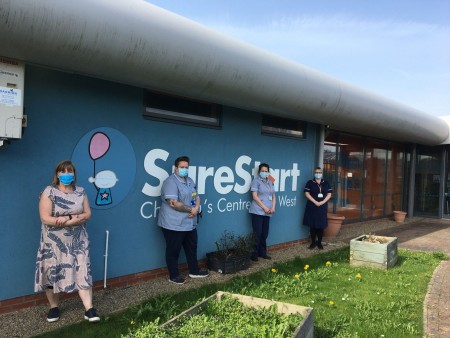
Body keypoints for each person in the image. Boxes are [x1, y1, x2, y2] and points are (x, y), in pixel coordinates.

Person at [35, 160, 100, 323]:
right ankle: (54, 307)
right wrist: (73, 219)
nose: (66, 174)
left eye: (69, 171)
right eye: (63, 171)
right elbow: (45, 218)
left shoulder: (80, 191)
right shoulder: (49, 192)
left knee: (83, 272)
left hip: (79, 242)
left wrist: (66, 219)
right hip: (54, 244)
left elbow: (88, 214)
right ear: (57, 174)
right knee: (53, 275)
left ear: (74, 174)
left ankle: (89, 309)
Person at [158, 156, 208, 285]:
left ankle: (194, 271)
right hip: (173, 224)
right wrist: (191, 210)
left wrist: (196, 208)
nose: (184, 170)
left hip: (190, 222)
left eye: (186, 167)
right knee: (173, 250)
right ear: (176, 168)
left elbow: (196, 196)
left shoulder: (190, 180)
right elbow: (173, 203)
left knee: (192, 247)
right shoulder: (170, 182)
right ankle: (174, 276)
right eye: (182, 167)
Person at [249, 163, 276, 261]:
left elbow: (273, 195)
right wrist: (264, 207)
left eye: (266, 171)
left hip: (268, 212)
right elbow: (255, 196)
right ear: (259, 171)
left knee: (265, 233)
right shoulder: (256, 181)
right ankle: (254, 254)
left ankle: (263, 253)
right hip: (257, 211)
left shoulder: (271, 180)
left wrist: (273, 207)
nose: (264, 172)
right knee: (257, 233)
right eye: (262, 171)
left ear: (268, 172)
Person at [303, 166, 332, 250]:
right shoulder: (310, 182)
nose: (318, 174)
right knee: (313, 225)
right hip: (312, 206)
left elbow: (329, 194)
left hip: (322, 207)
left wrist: (322, 202)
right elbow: (306, 193)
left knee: (321, 226)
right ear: (314, 173)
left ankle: (319, 243)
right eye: (316, 173)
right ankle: (313, 242)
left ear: (322, 173)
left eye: (319, 173)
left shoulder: (326, 183)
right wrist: (315, 201)